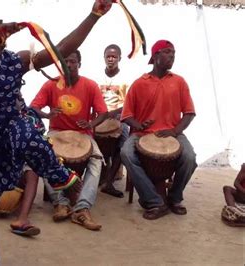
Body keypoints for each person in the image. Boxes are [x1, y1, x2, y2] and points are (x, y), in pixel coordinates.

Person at [0, 1, 112, 264]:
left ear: (1, 46)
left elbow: (62, 50)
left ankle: (60, 177)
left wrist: (94, 15)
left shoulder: (16, 60)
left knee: (22, 129)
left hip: (17, 130)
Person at [120, 39, 197, 220]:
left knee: (190, 158)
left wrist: (175, 131)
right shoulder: (139, 83)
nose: (172, 56)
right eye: (167, 52)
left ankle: (174, 198)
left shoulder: (179, 82)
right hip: (142, 134)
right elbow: (126, 115)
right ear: (155, 56)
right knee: (126, 153)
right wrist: (139, 126)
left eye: (174, 53)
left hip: (173, 133)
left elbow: (189, 113)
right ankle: (154, 201)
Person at [31, 50, 108, 231]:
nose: (68, 65)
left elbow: (103, 112)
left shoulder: (90, 85)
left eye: (72, 61)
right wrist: (47, 114)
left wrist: (90, 123)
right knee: (43, 154)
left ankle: (82, 208)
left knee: (96, 159)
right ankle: (60, 202)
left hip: (83, 134)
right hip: (56, 133)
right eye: (64, 61)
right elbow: (33, 107)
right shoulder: (51, 85)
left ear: (79, 64)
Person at [96, 44, 131, 198]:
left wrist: (115, 113)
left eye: (114, 56)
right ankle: (99, 175)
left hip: (119, 119)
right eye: (108, 56)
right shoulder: (96, 78)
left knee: (123, 148)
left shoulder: (125, 80)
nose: (111, 59)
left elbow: (129, 105)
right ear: (104, 58)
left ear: (119, 58)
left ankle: (108, 182)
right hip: (100, 118)